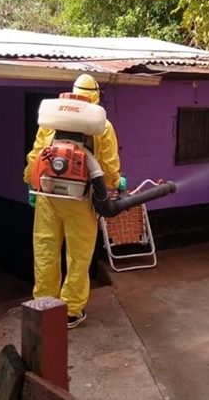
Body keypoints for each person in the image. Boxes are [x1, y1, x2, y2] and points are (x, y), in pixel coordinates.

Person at [23, 74, 121, 329]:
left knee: (45, 250)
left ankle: (44, 304)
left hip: (48, 196)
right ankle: (71, 311)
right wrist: (113, 183)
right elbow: (108, 165)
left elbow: (37, 154)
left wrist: (31, 183)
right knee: (78, 257)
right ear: (96, 96)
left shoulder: (53, 117)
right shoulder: (102, 124)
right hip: (81, 199)